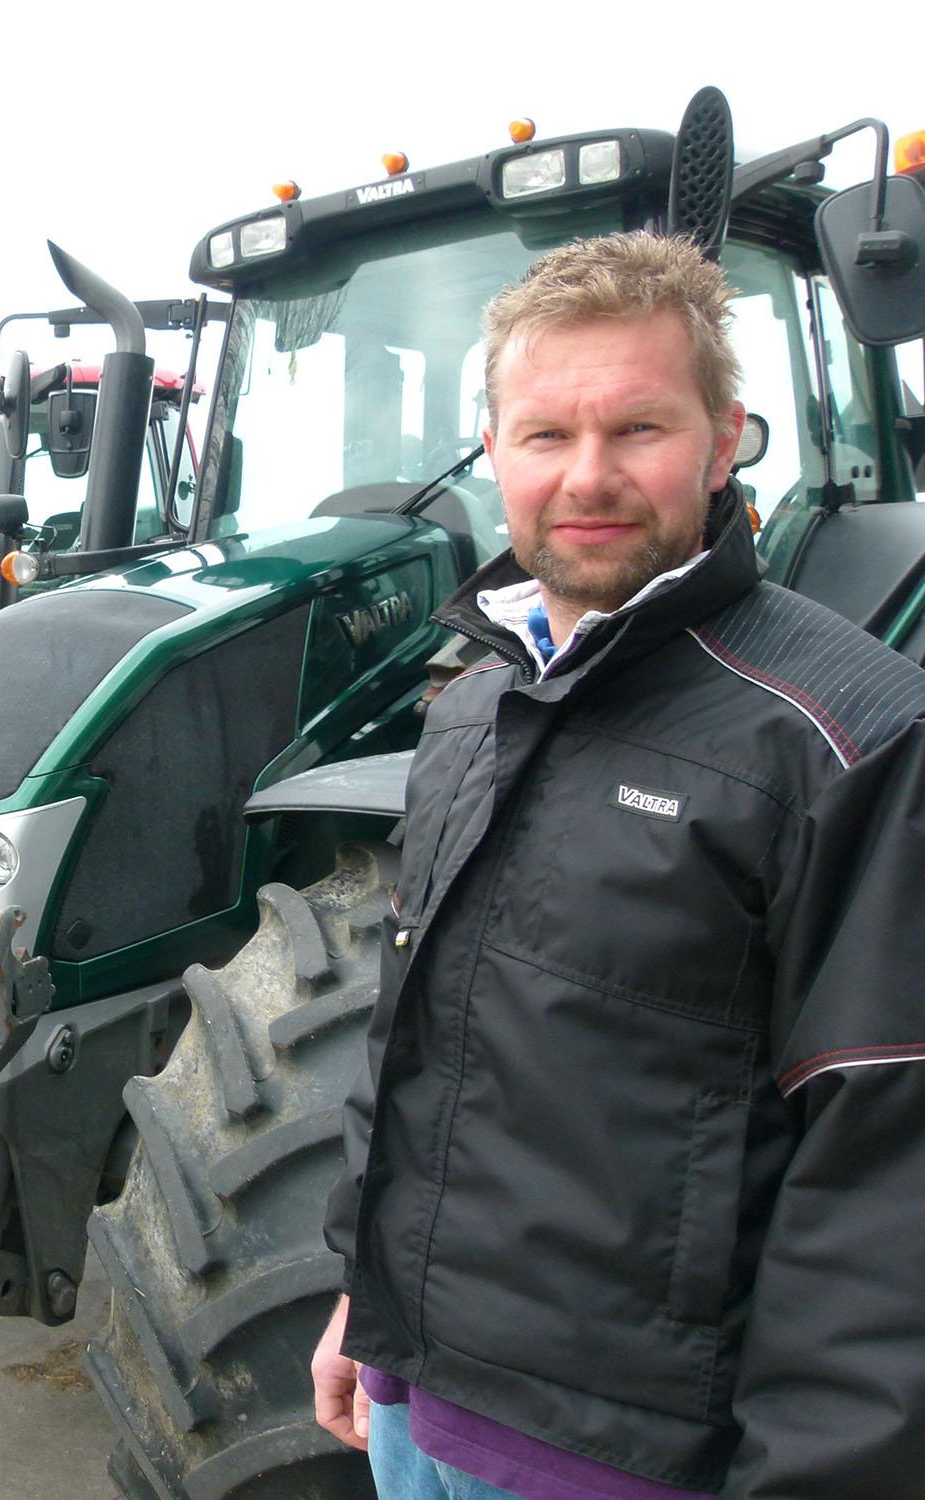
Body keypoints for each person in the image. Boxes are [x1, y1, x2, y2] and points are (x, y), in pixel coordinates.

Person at [311, 231, 925, 1498]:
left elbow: (884, 1185)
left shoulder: (848, 739)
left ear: (721, 439)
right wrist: (362, 1302)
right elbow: (413, 1039)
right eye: (546, 434)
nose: (586, 476)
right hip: (414, 1416)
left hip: (627, 1464)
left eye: (636, 428)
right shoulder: (472, 709)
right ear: (494, 450)